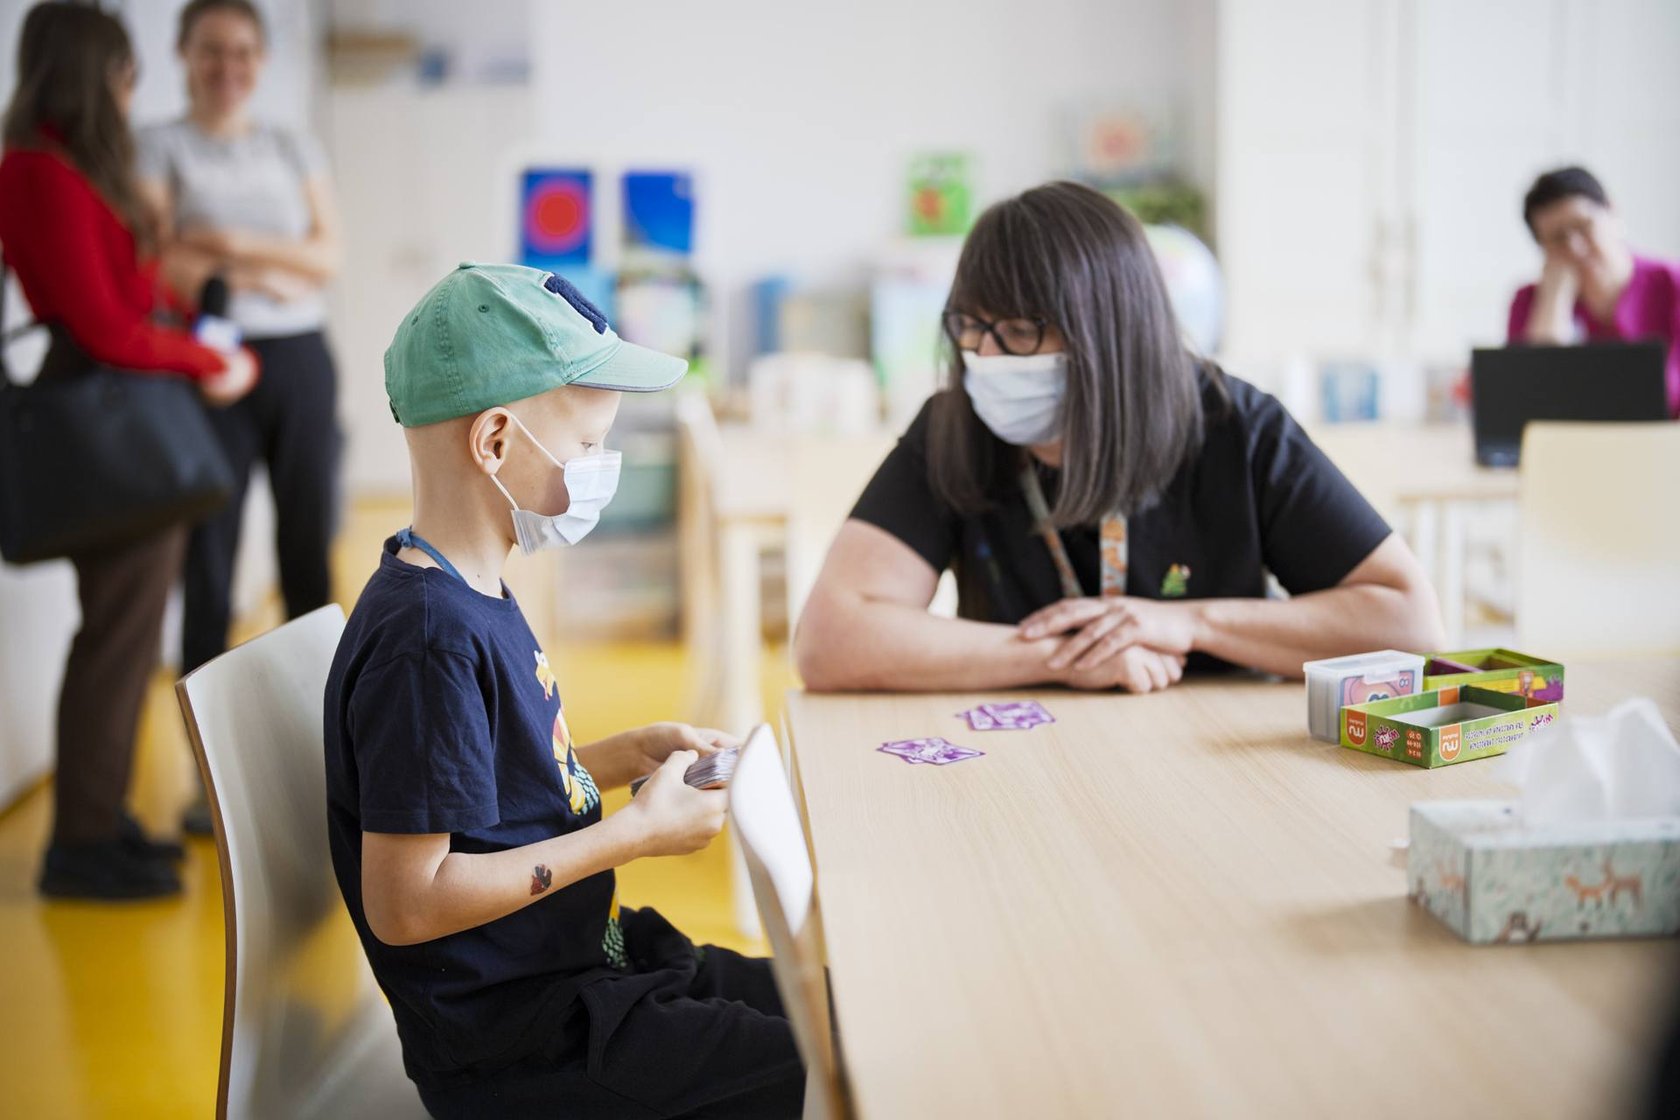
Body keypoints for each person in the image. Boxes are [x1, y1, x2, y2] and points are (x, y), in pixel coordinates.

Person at [324, 263, 804, 1117]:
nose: (599, 469)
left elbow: (484, 796)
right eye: (585, 447)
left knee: (842, 1008)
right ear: (494, 443)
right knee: (839, 1067)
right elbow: (406, 904)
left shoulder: (464, 588)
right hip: (530, 1051)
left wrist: (624, 753)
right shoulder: (427, 640)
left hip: (588, 974)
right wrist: (631, 836)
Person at [795, 182, 1444, 694]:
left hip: (1223, 751)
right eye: (969, 326)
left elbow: (1410, 627)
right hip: (1026, 752)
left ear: (1108, 333)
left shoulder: (1237, 427)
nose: (984, 358)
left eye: (1019, 332)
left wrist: (1188, 621)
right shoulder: (953, 427)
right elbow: (829, 641)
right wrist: (1068, 655)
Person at [0, 2, 257, 899]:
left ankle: (99, 820)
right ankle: (80, 843)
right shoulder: (37, 170)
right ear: (89, 72)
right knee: (116, 636)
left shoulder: (69, 165)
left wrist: (194, 332)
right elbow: (105, 328)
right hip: (104, 420)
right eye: (120, 71)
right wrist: (206, 359)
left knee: (124, 632)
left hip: (119, 411)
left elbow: (129, 295)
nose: (128, 88)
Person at [137, 0, 343, 837]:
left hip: (299, 362)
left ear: (262, 59)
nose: (229, 67)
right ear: (183, 54)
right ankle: (211, 782)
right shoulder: (160, 146)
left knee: (307, 554)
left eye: (244, 52)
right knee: (209, 567)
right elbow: (161, 264)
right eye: (212, 50)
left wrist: (223, 243)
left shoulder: (292, 143)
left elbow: (328, 256)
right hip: (208, 365)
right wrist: (273, 268)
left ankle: (324, 765)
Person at [1508, 166, 1680, 418]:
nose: (1575, 247)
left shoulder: (1672, 284)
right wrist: (1554, 300)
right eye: (1557, 238)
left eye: (1583, 226)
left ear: (1613, 212)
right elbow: (1530, 401)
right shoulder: (1529, 303)